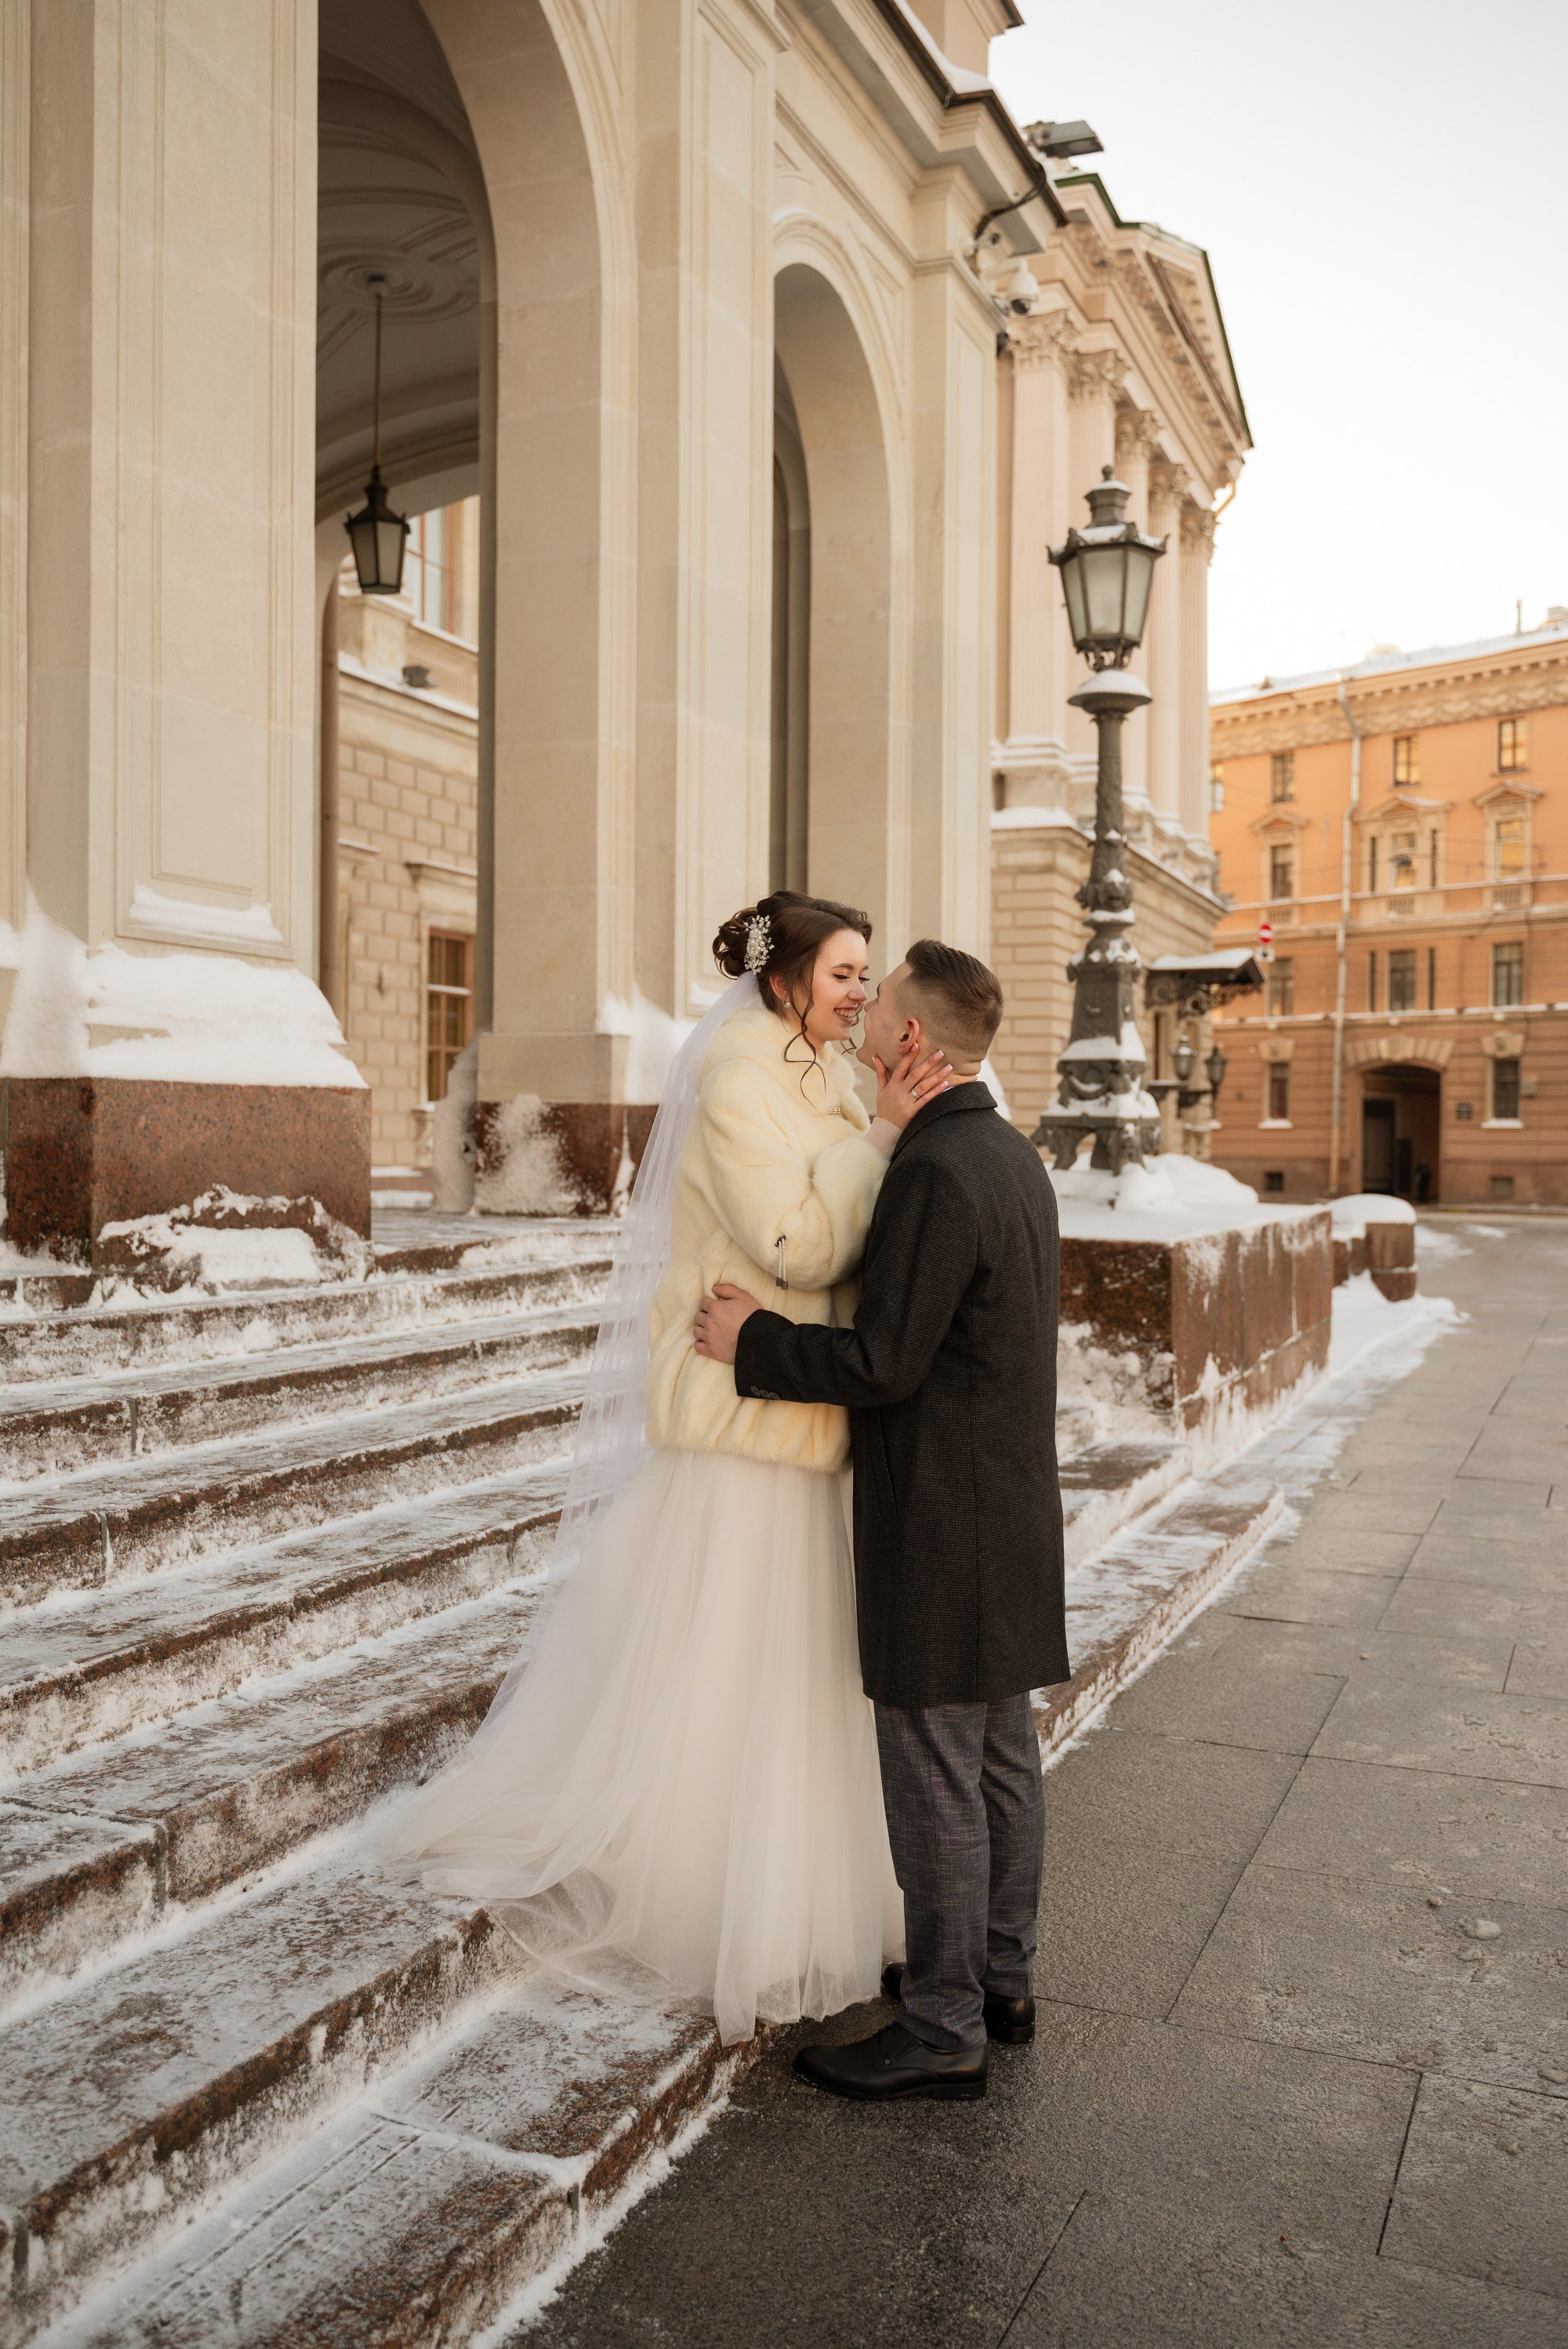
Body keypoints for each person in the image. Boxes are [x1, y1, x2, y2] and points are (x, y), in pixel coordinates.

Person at [383, 892, 949, 2046]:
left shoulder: (836, 1078)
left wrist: (881, 1132)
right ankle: (715, 1891)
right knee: (738, 1672)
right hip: (748, 1422)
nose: (859, 992)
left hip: (812, 1408)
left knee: (808, 1675)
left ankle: (824, 1893)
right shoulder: (744, 1077)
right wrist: (885, 1142)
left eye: (867, 974)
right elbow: (800, 1243)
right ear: (786, 982)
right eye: (843, 974)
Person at [695, 941, 1067, 2101]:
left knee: (937, 1776)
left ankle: (945, 2025)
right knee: (1003, 1755)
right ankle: (1000, 1980)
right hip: (1007, 1510)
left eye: (882, 1001)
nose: (864, 1013)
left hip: (941, 1523)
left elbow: (884, 1359)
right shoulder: (1007, 1154)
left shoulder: (938, 1171)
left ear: (916, 1041)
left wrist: (751, 1340)